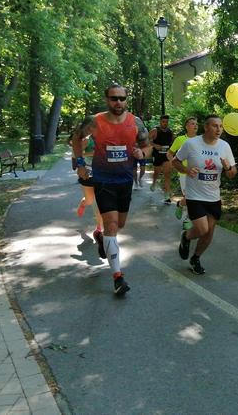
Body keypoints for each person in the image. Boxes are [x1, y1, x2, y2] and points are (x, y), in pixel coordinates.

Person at [71, 84, 149, 296]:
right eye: (114, 98)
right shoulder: (94, 121)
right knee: (112, 224)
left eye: (122, 98)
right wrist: (79, 164)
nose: (118, 103)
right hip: (103, 180)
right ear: (107, 99)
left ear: (126, 100)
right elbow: (76, 139)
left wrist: (142, 153)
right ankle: (118, 277)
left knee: (119, 224)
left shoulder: (136, 121)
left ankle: (101, 237)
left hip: (125, 180)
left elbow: (147, 145)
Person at [171, 115, 237, 275]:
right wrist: (187, 170)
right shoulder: (191, 144)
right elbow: (175, 161)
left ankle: (196, 258)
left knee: (209, 233)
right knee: (202, 229)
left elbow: (232, 174)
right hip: (194, 195)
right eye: (215, 126)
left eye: (220, 126)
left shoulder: (225, 146)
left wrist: (228, 168)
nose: (219, 129)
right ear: (206, 127)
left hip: (214, 196)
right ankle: (186, 237)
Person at [70, 117, 103, 240]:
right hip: (88, 173)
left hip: (102, 174)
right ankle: (84, 203)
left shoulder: (104, 137)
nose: (92, 130)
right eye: (89, 127)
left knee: (100, 203)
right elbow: (75, 155)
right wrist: (91, 154)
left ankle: (99, 228)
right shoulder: (85, 140)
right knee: (89, 201)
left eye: (94, 127)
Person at [167, 117, 198, 230]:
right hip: (184, 173)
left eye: (196, 124)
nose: (195, 126)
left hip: (198, 174)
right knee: (190, 197)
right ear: (186, 126)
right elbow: (169, 153)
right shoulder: (180, 139)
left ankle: (181, 205)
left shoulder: (201, 140)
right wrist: (174, 164)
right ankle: (187, 218)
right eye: (192, 123)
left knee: (195, 197)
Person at [149, 115, 174, 203]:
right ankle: (154, 182)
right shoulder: (155, 130)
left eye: (166, 122)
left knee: (167, 174)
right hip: (157, 155)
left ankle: (167, 195)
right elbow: (148, 141)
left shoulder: (170, 132)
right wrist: (155, 145)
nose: (165, 123)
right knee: (157, 172)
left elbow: (172, 143)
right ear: (160, 121)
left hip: (166, 156)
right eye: (163, 122)